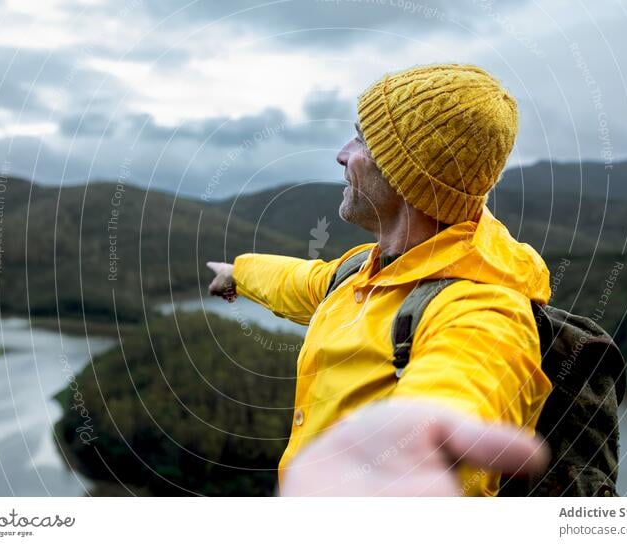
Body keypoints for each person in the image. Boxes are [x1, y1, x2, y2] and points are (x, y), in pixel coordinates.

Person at [207, 63, 552, 496]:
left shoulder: (484, 311)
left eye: (363, 139)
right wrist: (238, 273)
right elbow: (308, 281)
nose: (342, 153)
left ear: (407, 175)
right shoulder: (371, 270)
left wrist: (412, 448)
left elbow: (464, 377)